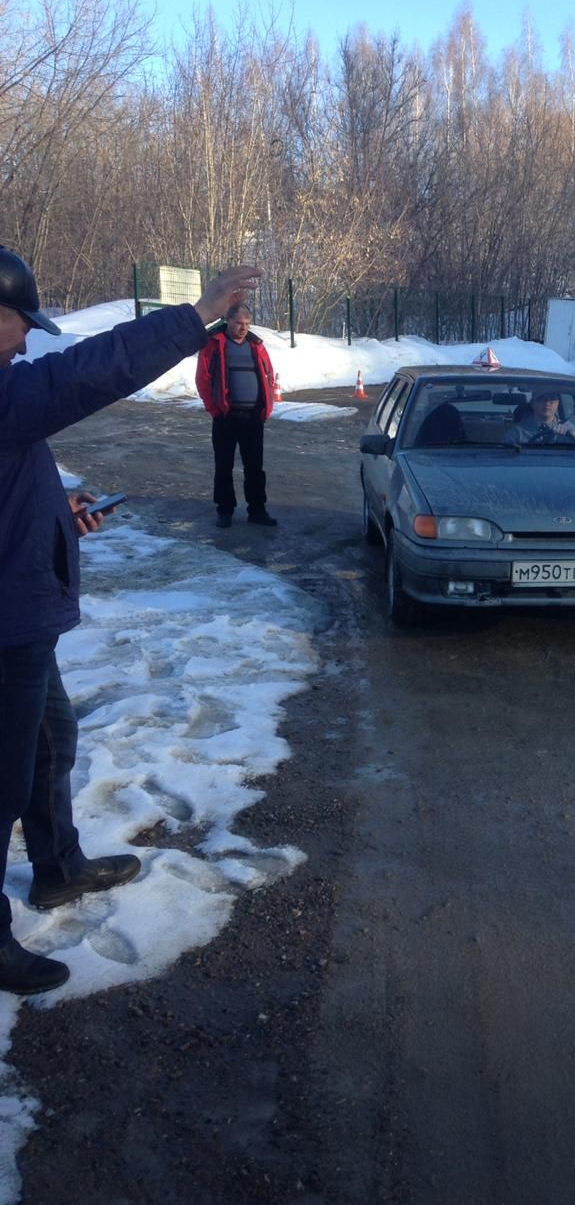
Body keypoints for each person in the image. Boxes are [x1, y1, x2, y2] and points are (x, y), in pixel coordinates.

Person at [0, 248, 262, 994]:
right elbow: (85, 374)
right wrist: (199, 315)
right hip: (4, 624)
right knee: (1, 781)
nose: (25, 342)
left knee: (51, 743)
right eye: (20, 324)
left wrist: (62, 511)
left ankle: (57, 869)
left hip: (20, 615)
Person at [195, 303, 278, 528]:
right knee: (224, 466)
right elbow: (203, 379)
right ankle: (225, 511)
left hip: (253, 417)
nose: (243, 328)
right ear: (228, 321)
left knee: (255, 467)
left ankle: (257, 510)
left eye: (247, 324)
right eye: (239, 323)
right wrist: (215, 410)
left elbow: (269, 376)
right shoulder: (214, 344)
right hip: (225, 417)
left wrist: (266, 408)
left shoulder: (256, 346)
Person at [503, 388, 575, 445]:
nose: (547, 403)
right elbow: (505, 457)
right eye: (541, 398)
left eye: (552, 398)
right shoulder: (517, 432)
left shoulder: (568, 427)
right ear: (533, 403)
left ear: (558, 403)